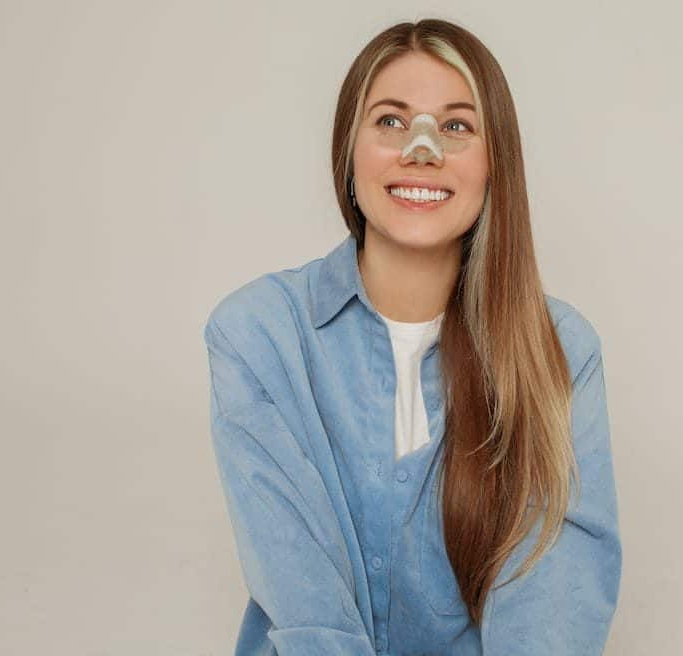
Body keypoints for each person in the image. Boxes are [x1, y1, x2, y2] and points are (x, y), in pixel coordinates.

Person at [203, 18, 621, 655]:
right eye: (391, 121)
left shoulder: (559, 349)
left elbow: (553, 598)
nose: (420, 148)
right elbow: (302, 589)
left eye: (456, 126)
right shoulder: (257, 335)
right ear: (349, 150)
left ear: (494, 163)